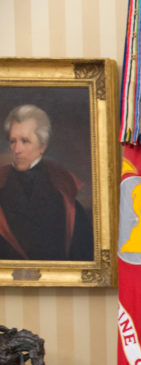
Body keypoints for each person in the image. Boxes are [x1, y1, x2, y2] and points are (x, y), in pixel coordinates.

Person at [0, 104, 93, 261]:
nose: (16, 150)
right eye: (12, 141)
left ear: (42, 146)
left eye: (25, 141)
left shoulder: (64, 196)